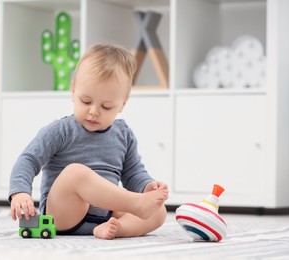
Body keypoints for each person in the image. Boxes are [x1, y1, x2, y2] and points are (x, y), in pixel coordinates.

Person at [9, 43, 169, 240]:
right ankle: (136, 203)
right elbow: (28, 159)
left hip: (106, 214)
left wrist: (148, 187)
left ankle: (118, 228)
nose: (94, 111)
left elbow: (134, 173)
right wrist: (20, 192)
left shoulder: (123, 134)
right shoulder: (61, 130)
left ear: (122, 104)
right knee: (76, 173)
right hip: (64, 214)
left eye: (106, 106)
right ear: (73, 91)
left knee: (159, 211)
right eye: (85, 101)